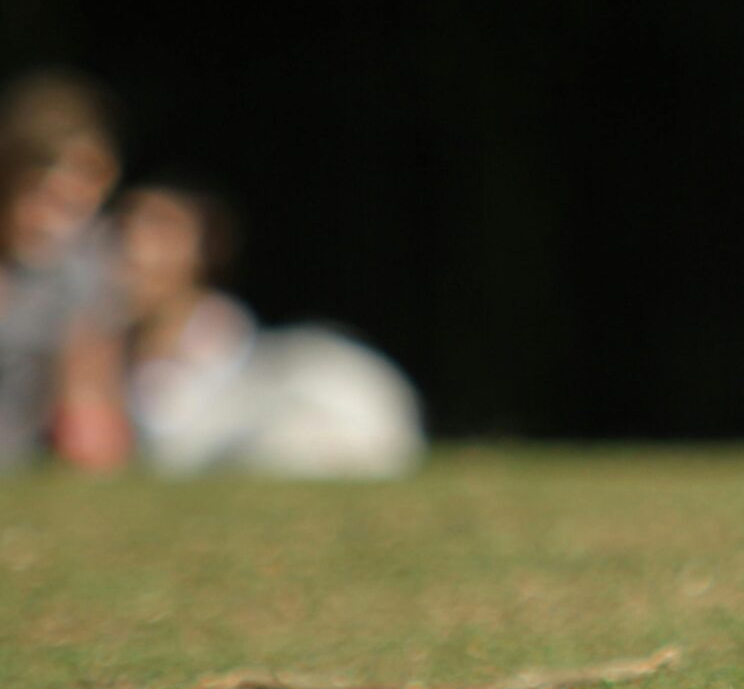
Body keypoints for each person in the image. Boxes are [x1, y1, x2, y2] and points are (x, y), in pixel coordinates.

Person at [115, 181, 425, 478]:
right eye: (122, 229)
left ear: (204, 248)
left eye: (161, 230)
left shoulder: (308, 369)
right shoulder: (101, 358)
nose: (135, 248)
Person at [0, 70, 131, 470]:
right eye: (42, 195)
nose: (54, 222)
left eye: (74, 204)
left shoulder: (79, 274)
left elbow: (90, 420)